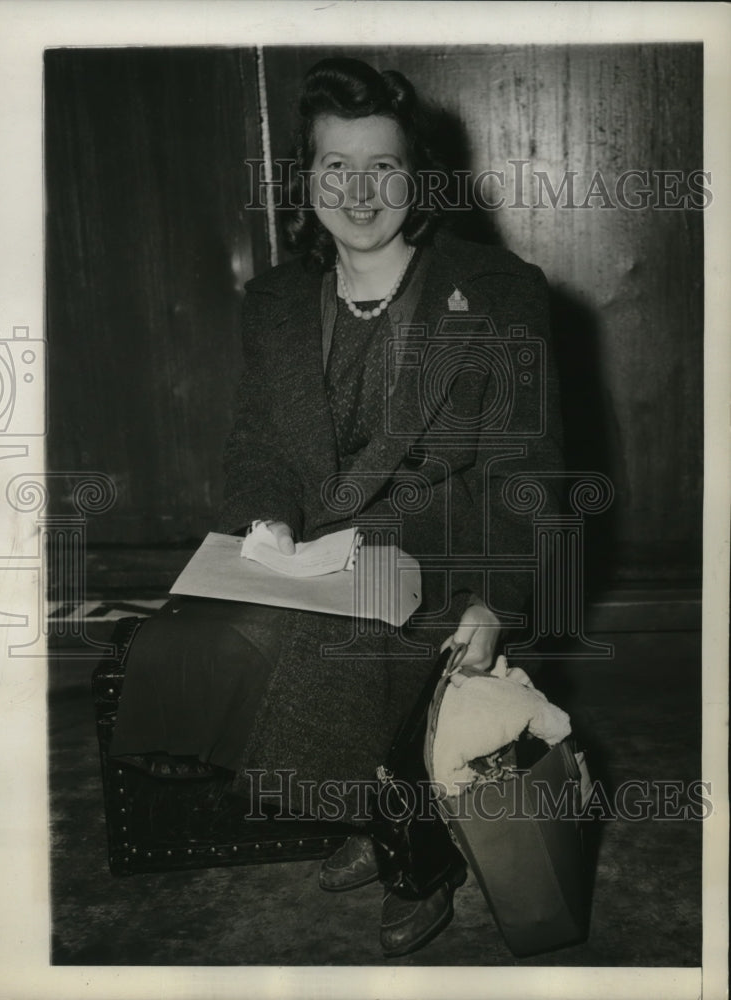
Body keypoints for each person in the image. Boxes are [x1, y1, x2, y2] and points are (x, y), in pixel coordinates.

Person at [111, 56, 564, 957]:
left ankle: (414, 851)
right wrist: (265, 524)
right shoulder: (277, 302)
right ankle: (369, 806)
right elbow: (259, 447)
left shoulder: (501, 292)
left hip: (450, 554)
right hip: (321, 556)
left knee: (338, 651)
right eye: (334, 168)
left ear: (418, 177)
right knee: (191, 637)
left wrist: (495, 601)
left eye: (384, 167)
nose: (360, 192)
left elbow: (531, 472)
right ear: (304, 181)